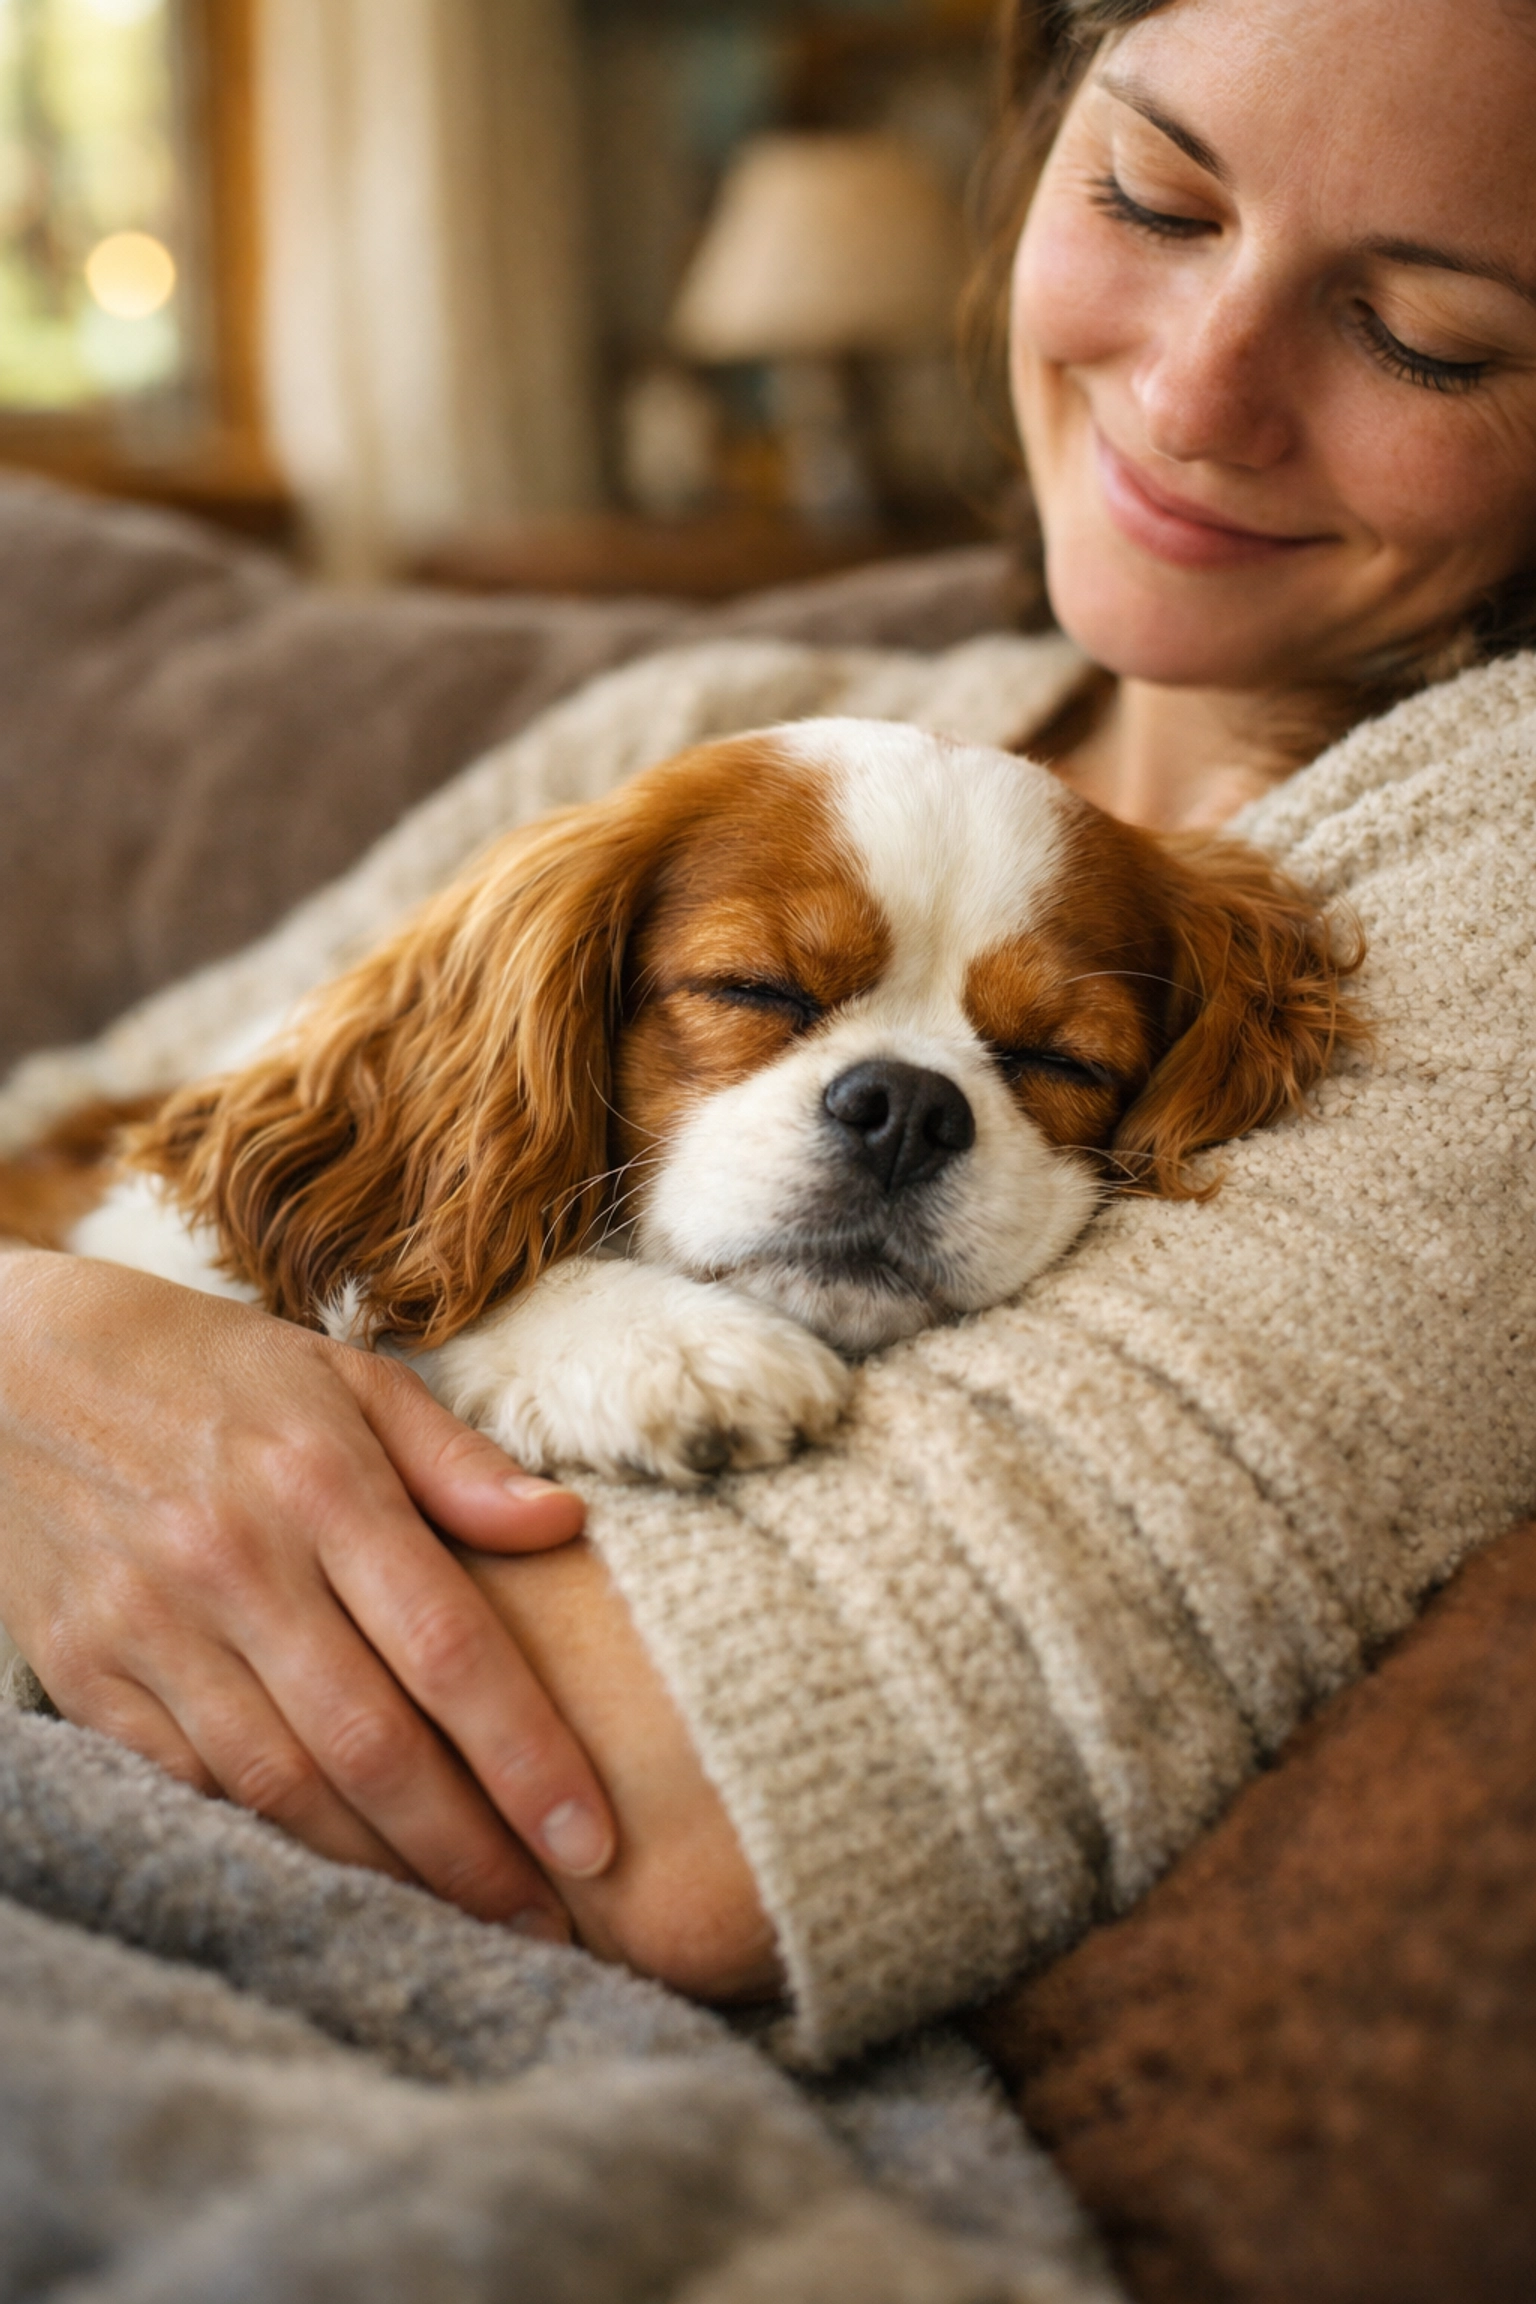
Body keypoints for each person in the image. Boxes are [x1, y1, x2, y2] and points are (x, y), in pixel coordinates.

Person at [2, 0, 1534, 2029]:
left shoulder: (1453, 887)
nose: (1196, 387)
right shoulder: (685, 749)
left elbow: (684, 1812)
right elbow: (146, 1145)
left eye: (1429, 329)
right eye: (1155, 198)